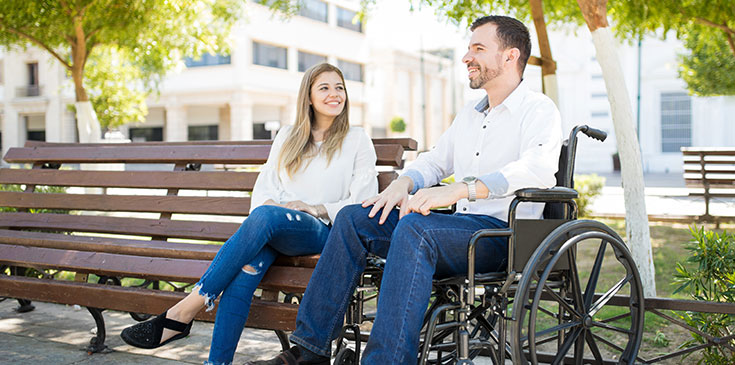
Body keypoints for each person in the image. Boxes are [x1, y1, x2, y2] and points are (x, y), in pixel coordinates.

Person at [249, 15, 563, 365]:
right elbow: (434, 162)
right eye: (468, 48)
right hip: (455, 231)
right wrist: (403, 183)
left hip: (500, 236)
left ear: (510, 56)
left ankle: (385, 360)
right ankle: (311, 351)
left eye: (478, 48)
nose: (466, 57)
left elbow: (536, 169)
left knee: (417, 228)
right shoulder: (470, 116)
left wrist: (461, 190)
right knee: (355, 218)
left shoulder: (538, 110)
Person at [120, 62, 378, 365]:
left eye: (339, 88)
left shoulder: (356, 138)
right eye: (324, 87)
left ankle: (185, 310)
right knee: (245, 270)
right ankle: (216, 362)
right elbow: (266, 189)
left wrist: (315, 208)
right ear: (308, 96)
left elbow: (363, 201)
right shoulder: (288, 136)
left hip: (326, 232)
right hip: (278, 230)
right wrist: (278, 213)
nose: (334, 94)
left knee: (268, 218)